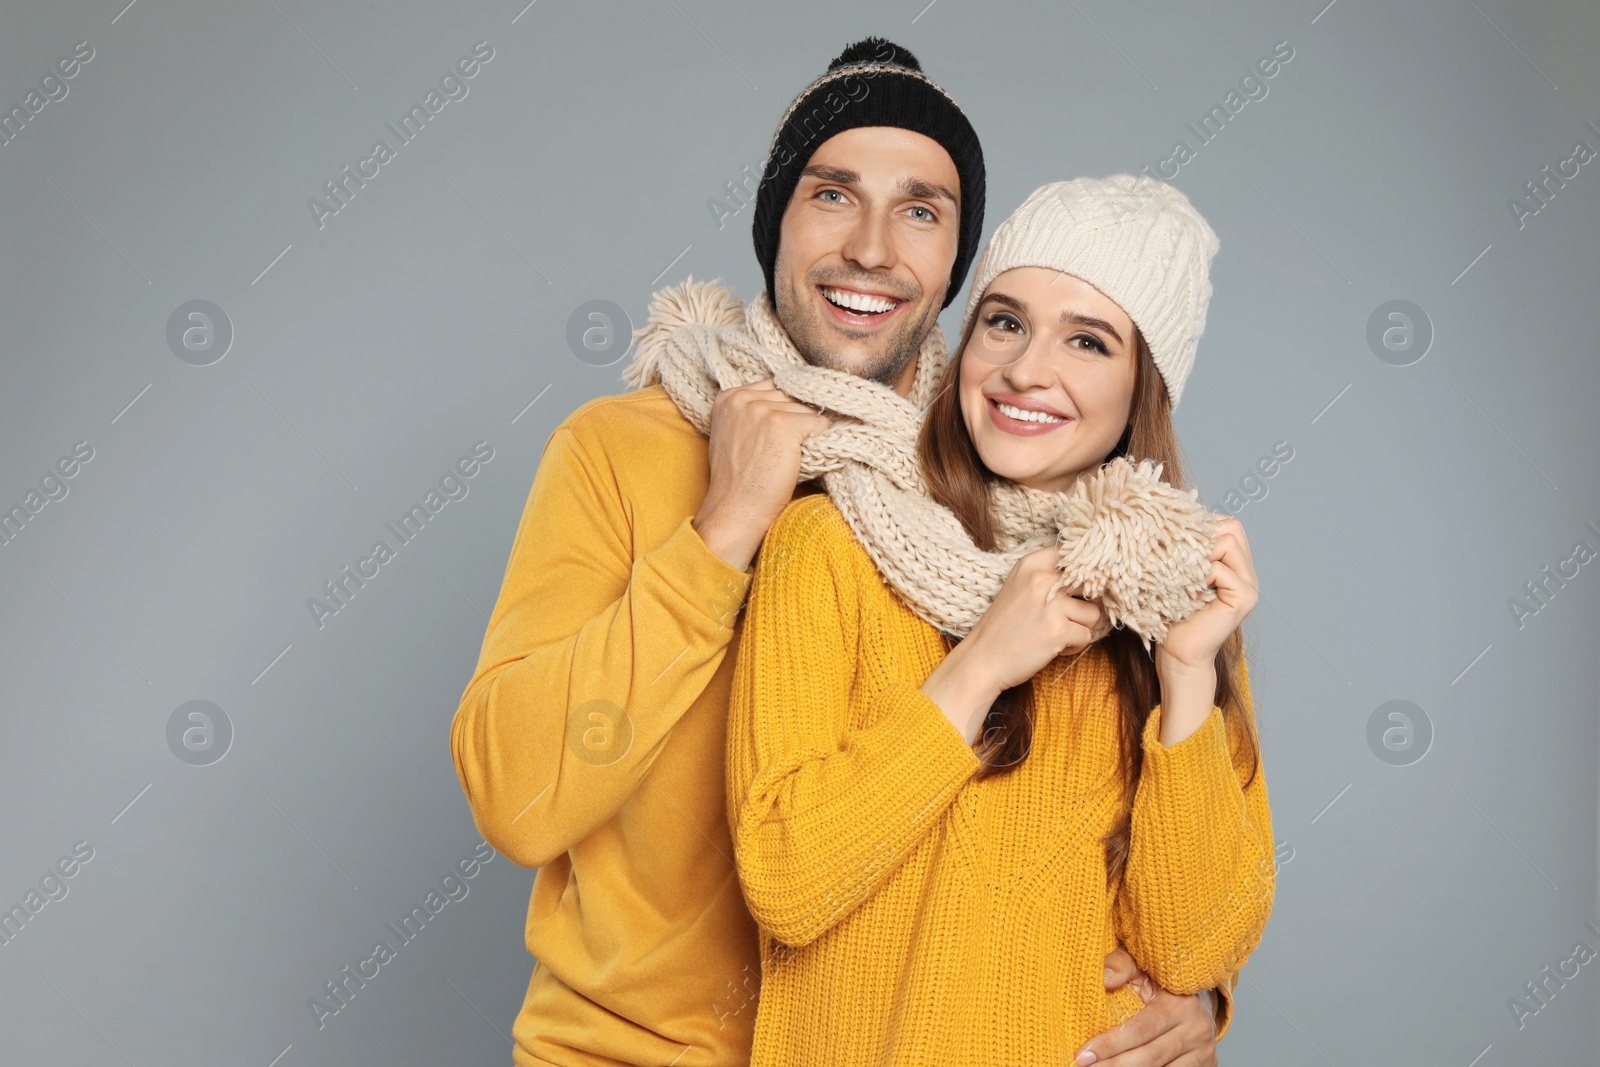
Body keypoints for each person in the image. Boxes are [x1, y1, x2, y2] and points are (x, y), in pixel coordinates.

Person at [450, 33, 1229, 1065]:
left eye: (920, 210)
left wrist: (1193, 988)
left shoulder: (1022, 490)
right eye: (831, 195)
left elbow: (1068, 817)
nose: (871, 245)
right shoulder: (623, 449)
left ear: (958, 260)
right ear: (776, 219)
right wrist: (720, 529)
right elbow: (516, 798)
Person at [723, 175, 1275, 1064]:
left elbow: (1192, 949)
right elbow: (787, 881)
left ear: (1143, 390)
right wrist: (980, 664)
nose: (1025, 368)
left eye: (1087, 340)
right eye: (1005, 321)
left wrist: (1185, 675)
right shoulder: (827, 544)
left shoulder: (1175, 613)